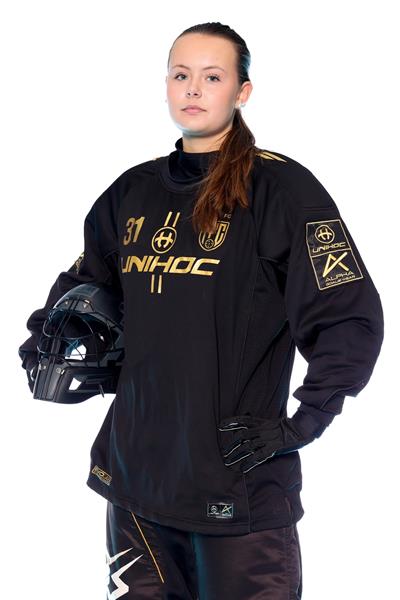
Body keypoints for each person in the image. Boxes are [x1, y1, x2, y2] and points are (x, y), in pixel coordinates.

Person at [18, 21, 384, 600]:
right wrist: (44, 346)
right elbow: (83, 288)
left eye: (212, 77)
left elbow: (348, 314)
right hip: (135, 483)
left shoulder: (281, 191)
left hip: (237, 488)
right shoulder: (131, 193)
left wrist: (307, 419)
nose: (193, 88)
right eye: (180, 75)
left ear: (242, 91)